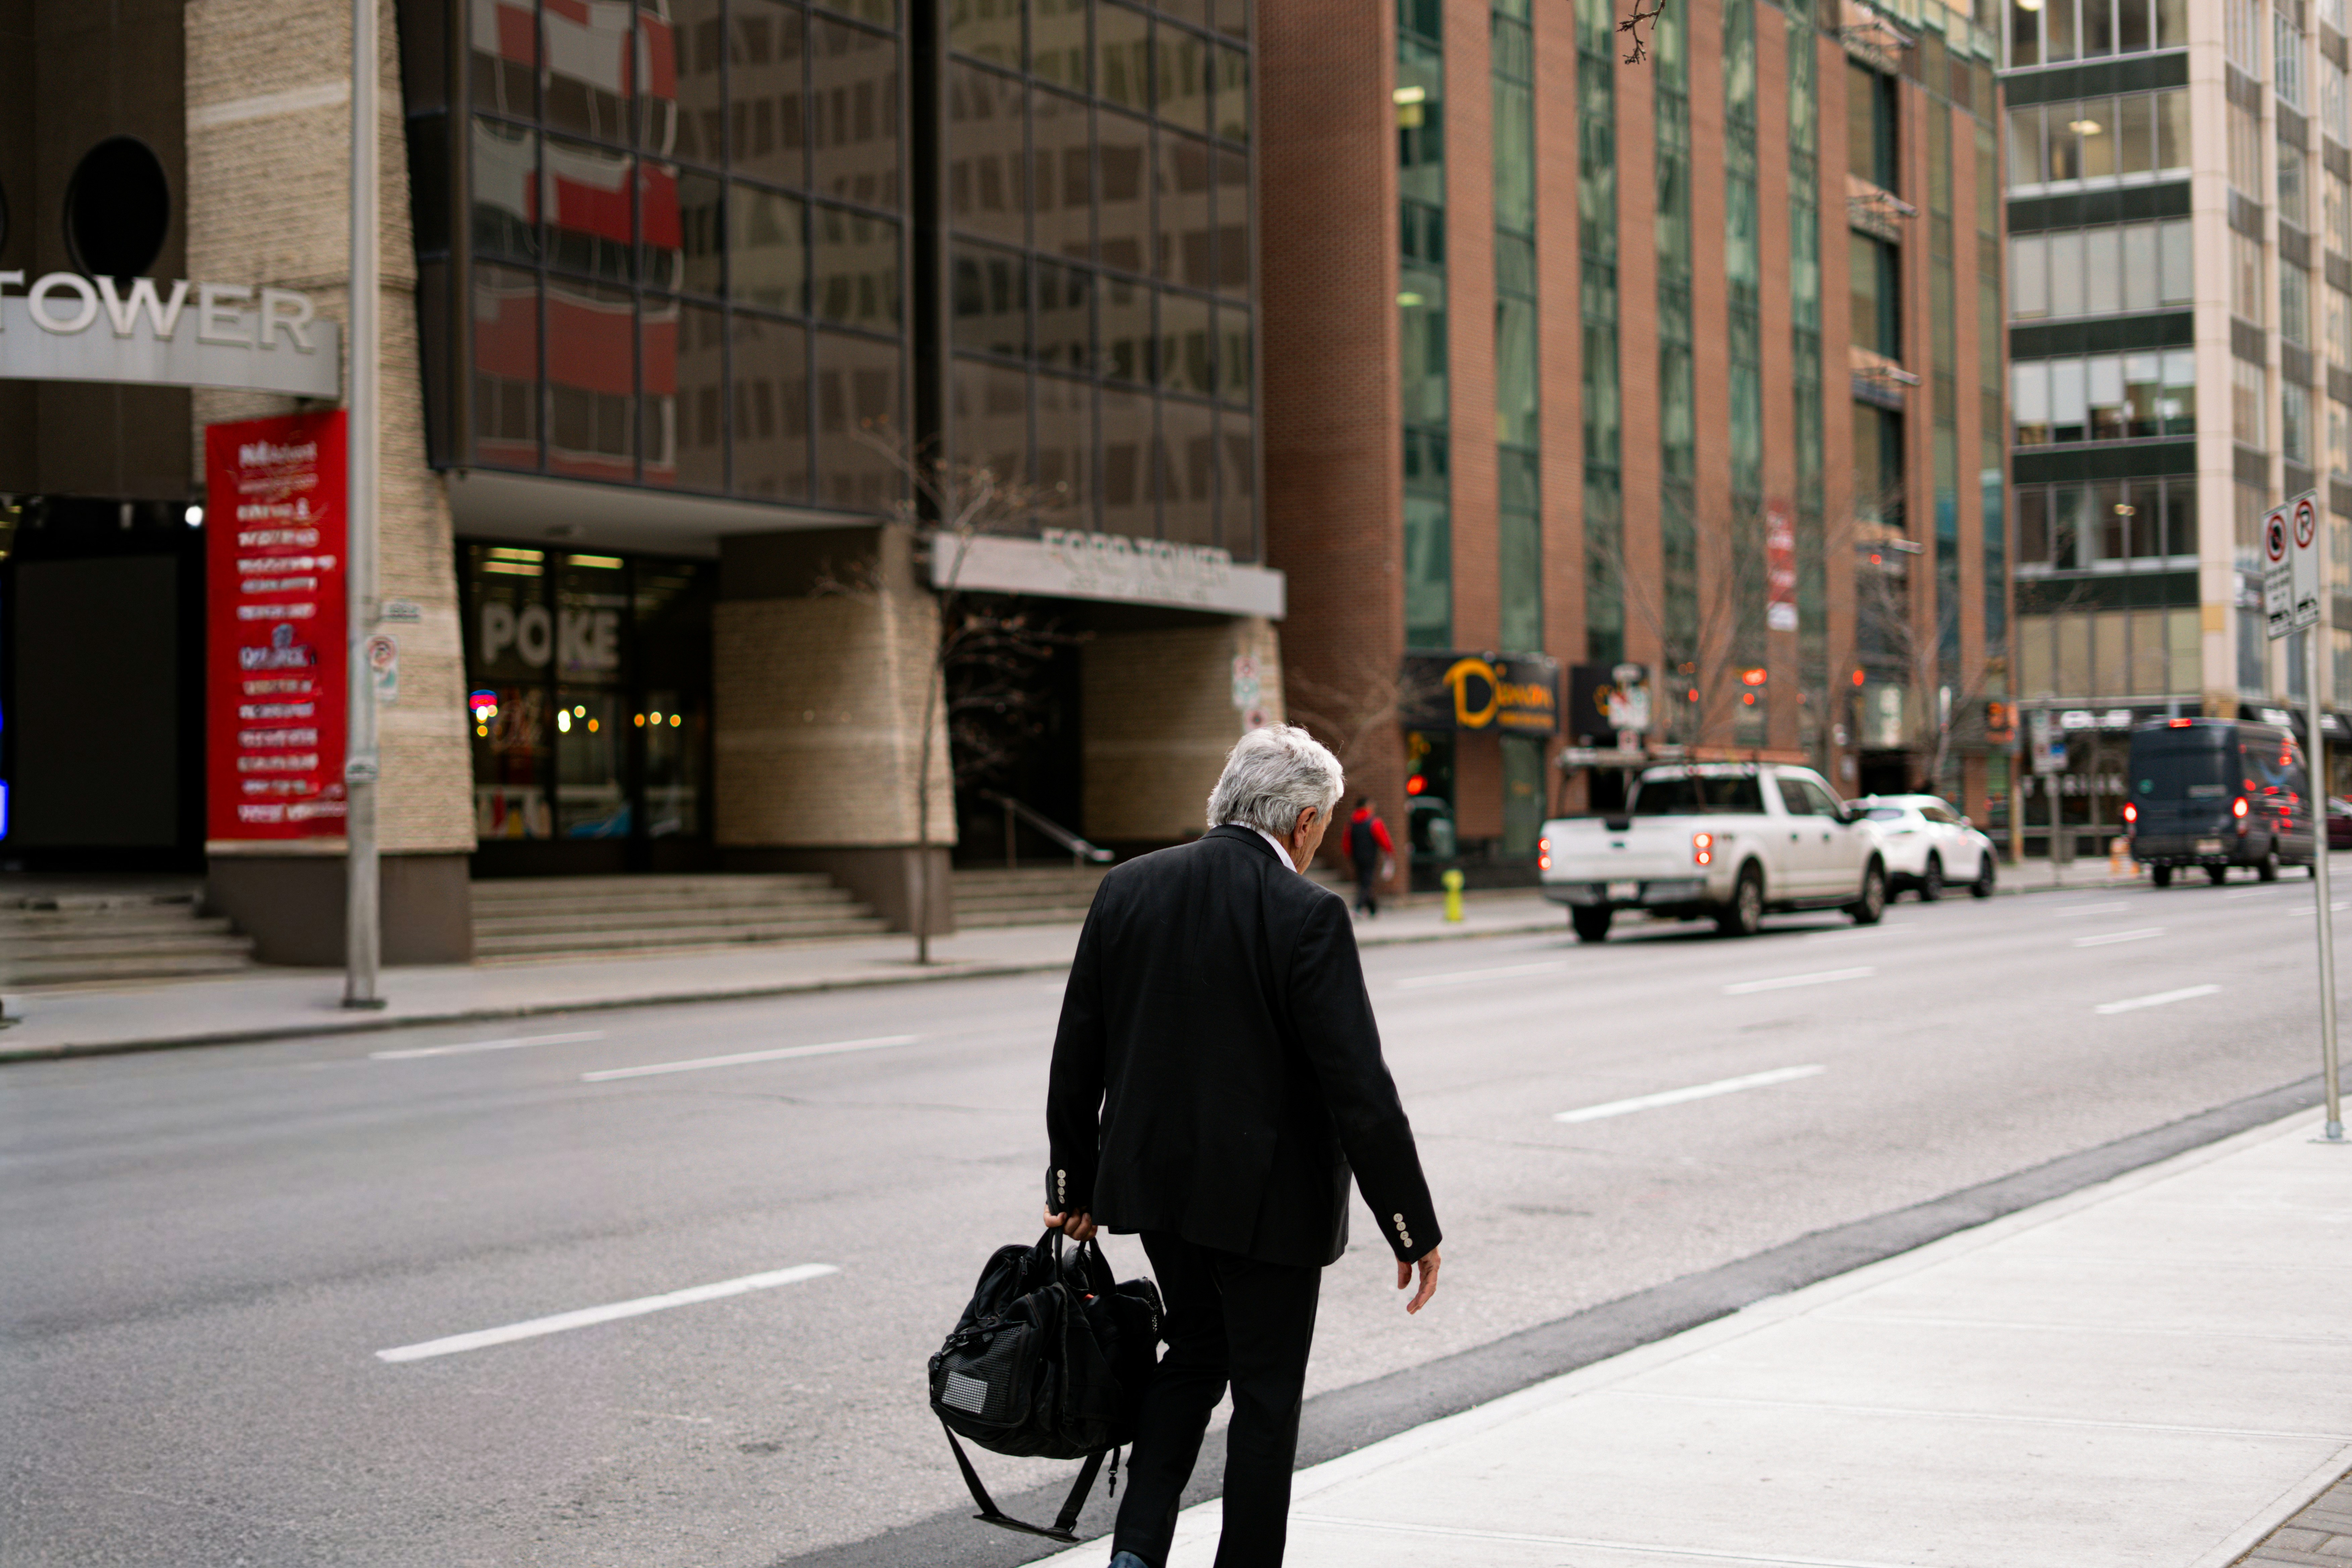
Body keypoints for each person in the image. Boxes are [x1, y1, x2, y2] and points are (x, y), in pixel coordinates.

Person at [1043, 724, 1444, 1568]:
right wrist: (1410, 1222)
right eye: (1324, 824)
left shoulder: (1127, 888)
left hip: (1154, 1189)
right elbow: (1359, 1089)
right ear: (1302, 821)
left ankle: (1137, 1552)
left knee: (1192, 1358)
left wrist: (1073, 1181)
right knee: (1265, 1398)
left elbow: (1077, 1051)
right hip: (1270, 1207)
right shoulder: (1307, 913)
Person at [1341, 795, 1394, 917]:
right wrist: (1389, 853)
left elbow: (1347, 843)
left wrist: (1350, 856)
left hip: (1356, 857)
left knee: (1363, 881)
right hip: (1370, 857)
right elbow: (1384, 840)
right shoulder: (1373, 822)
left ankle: (1373, 908)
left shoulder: (1351, 823)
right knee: (1366, 882)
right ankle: (1358, 907)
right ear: (1366, 806)